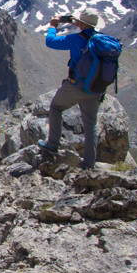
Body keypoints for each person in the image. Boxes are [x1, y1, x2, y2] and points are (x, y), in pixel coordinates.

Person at [38, 9, 102, 170]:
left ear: (82, 23)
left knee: (56, 107)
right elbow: (89, 30)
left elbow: (50, 41)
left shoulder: (76, 39)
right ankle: (88, 164)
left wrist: (53, 26)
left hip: (76, 86)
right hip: (95, 88)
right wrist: (78, 23)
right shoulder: (101, 39)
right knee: (91, 124)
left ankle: (52, 144)